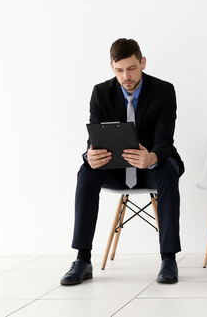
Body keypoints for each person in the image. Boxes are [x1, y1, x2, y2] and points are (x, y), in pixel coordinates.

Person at [61, 38, 184, 285]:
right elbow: (93, 138)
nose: (126, 76)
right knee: (86, 171)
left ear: (143, 63)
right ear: (112, 67)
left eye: (131, 68)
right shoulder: (101, 92)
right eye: (119, 70)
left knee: (168, 168)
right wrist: (91, 156)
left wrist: (151, 157)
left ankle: (168, 259)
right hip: (115, 169)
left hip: (150, 168)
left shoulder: (163, 91)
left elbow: (164, 141)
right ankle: (82, 259)